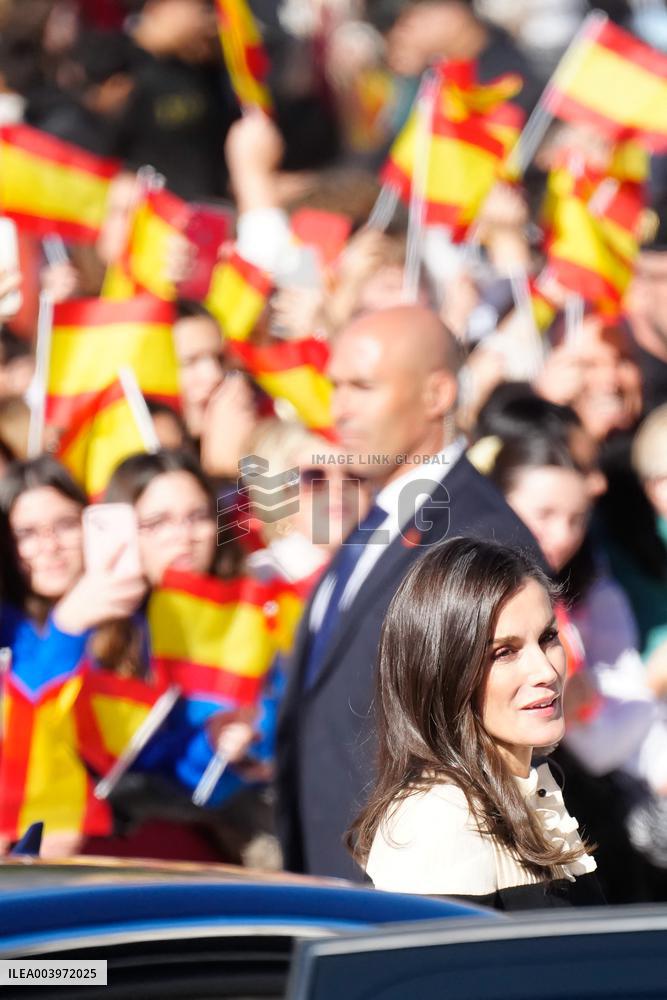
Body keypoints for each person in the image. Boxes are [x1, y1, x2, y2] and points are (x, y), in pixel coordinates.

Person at [276, 304, 544, 880]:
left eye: (362, 386)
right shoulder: (383, 514)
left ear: (436, 395)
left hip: (411, 884)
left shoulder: (478, 531)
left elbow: (504, 727)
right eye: (335, 385)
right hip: (334, 871)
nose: (337, 406)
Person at [354, 536, 602, 909]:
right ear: (443, 673)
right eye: (504, 652)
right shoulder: (439, 817)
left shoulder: (528, 784)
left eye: (548, 637)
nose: (546, 670)